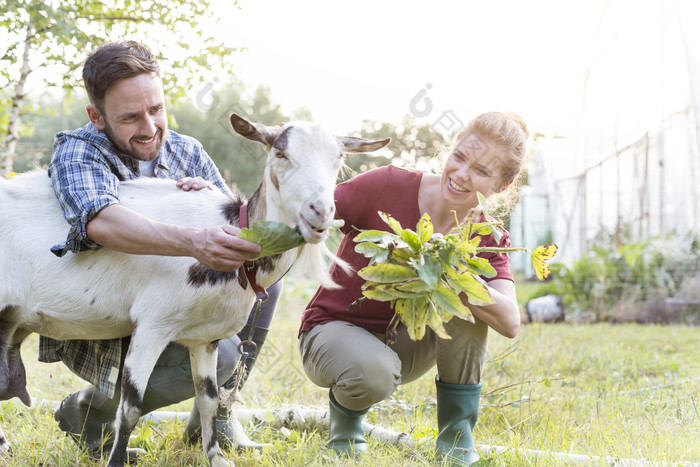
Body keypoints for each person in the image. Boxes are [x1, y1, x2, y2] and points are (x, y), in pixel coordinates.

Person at [40, 40, 280, 460]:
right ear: (97, 117)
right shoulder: (77, 150)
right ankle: (89, 408)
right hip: (108, 324)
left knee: (260, 279)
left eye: (156, 109)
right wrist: (194, 238)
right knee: (220, 357)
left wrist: (215, 207)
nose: (149, 126)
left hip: (178, 307)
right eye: (130, 117)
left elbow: (236, 242)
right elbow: (101, 221)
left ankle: (219, 413)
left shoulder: (188, 151)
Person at [298, 111, 531, 465]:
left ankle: (456, 441)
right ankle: (345, 430)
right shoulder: (387, 185)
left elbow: (510, 321)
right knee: (373, 370)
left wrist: (450, 274)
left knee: (474, 301)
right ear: (449, 150)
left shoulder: (487, 236)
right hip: (332, 333)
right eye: (459, 157)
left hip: (404, 345)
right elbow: (314, 209)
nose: (462, 175)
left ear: (502, 186)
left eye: (481, 171)